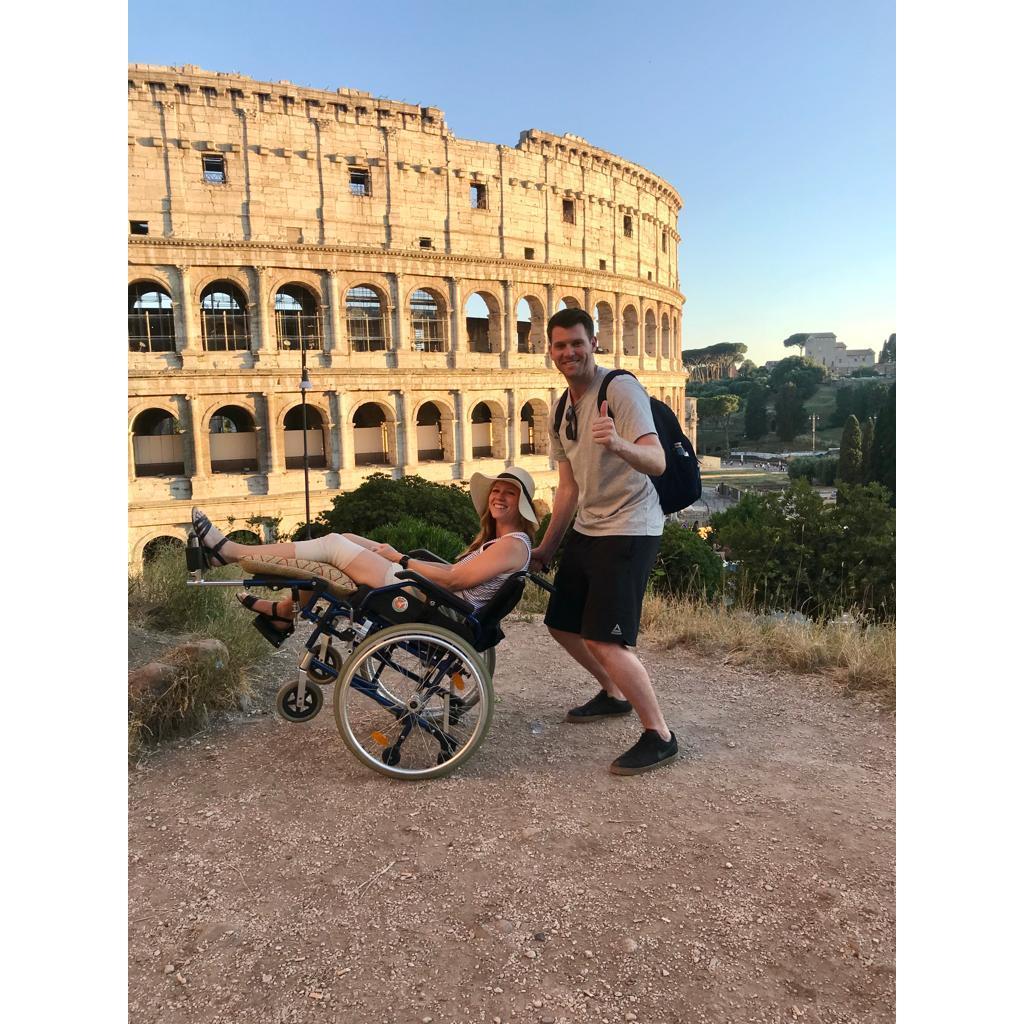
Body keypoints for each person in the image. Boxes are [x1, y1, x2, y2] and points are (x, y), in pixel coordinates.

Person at [529, 307, 678, 776]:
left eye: (577, 342)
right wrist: (547, 547)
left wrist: (616, 443)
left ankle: (660, 735)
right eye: (560, 345)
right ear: (549, 352)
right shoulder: (561, 407)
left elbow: (656, 461)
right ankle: (614, 694)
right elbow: (568, 487)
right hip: (590, 526)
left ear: (594, 343)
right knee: (562, 622)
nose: (569, 352)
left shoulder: (620, 388)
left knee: (607, 639)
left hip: (632, 525)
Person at [192, 468, 538, 641]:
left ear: (521, 505)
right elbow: (453, 574)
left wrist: (400, 558)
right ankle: (283, 612)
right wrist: (398, 556)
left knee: (331, 548)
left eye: (509, 493)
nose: (499, 497)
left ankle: (233, 552)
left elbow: (455, 578)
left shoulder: (512, 544)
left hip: (430, 603)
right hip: (432, 597)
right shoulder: (502, 542)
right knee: (344, 538)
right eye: (496, 490)